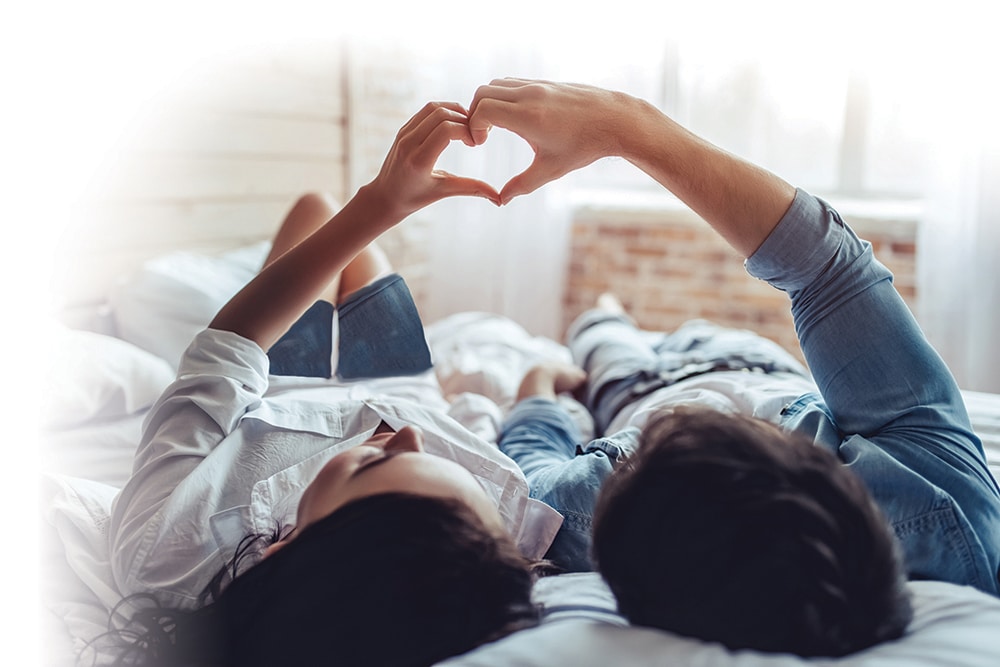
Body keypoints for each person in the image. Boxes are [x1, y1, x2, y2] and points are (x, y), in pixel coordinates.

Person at [468, 78, 1000, 657]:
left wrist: (537, 388)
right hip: (752, 360)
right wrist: (625, 124)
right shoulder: (938, 496)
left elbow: (526, 480)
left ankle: (609, 318)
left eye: (629, 456)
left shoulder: (605, 517)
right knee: (632, 330)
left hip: (634, 389)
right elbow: (828, 266)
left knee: (598, 334)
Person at [102, 102, 563, 667]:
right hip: (405, 383)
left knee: (317, 208)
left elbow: (223, 357)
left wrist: (379, 204)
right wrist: (511, 389)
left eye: (371, 463)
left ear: (290, 550)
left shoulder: (168, 549)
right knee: (326, 212)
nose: (406, 439)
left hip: (296, 377)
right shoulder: (471, 569)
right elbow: (489, 436)